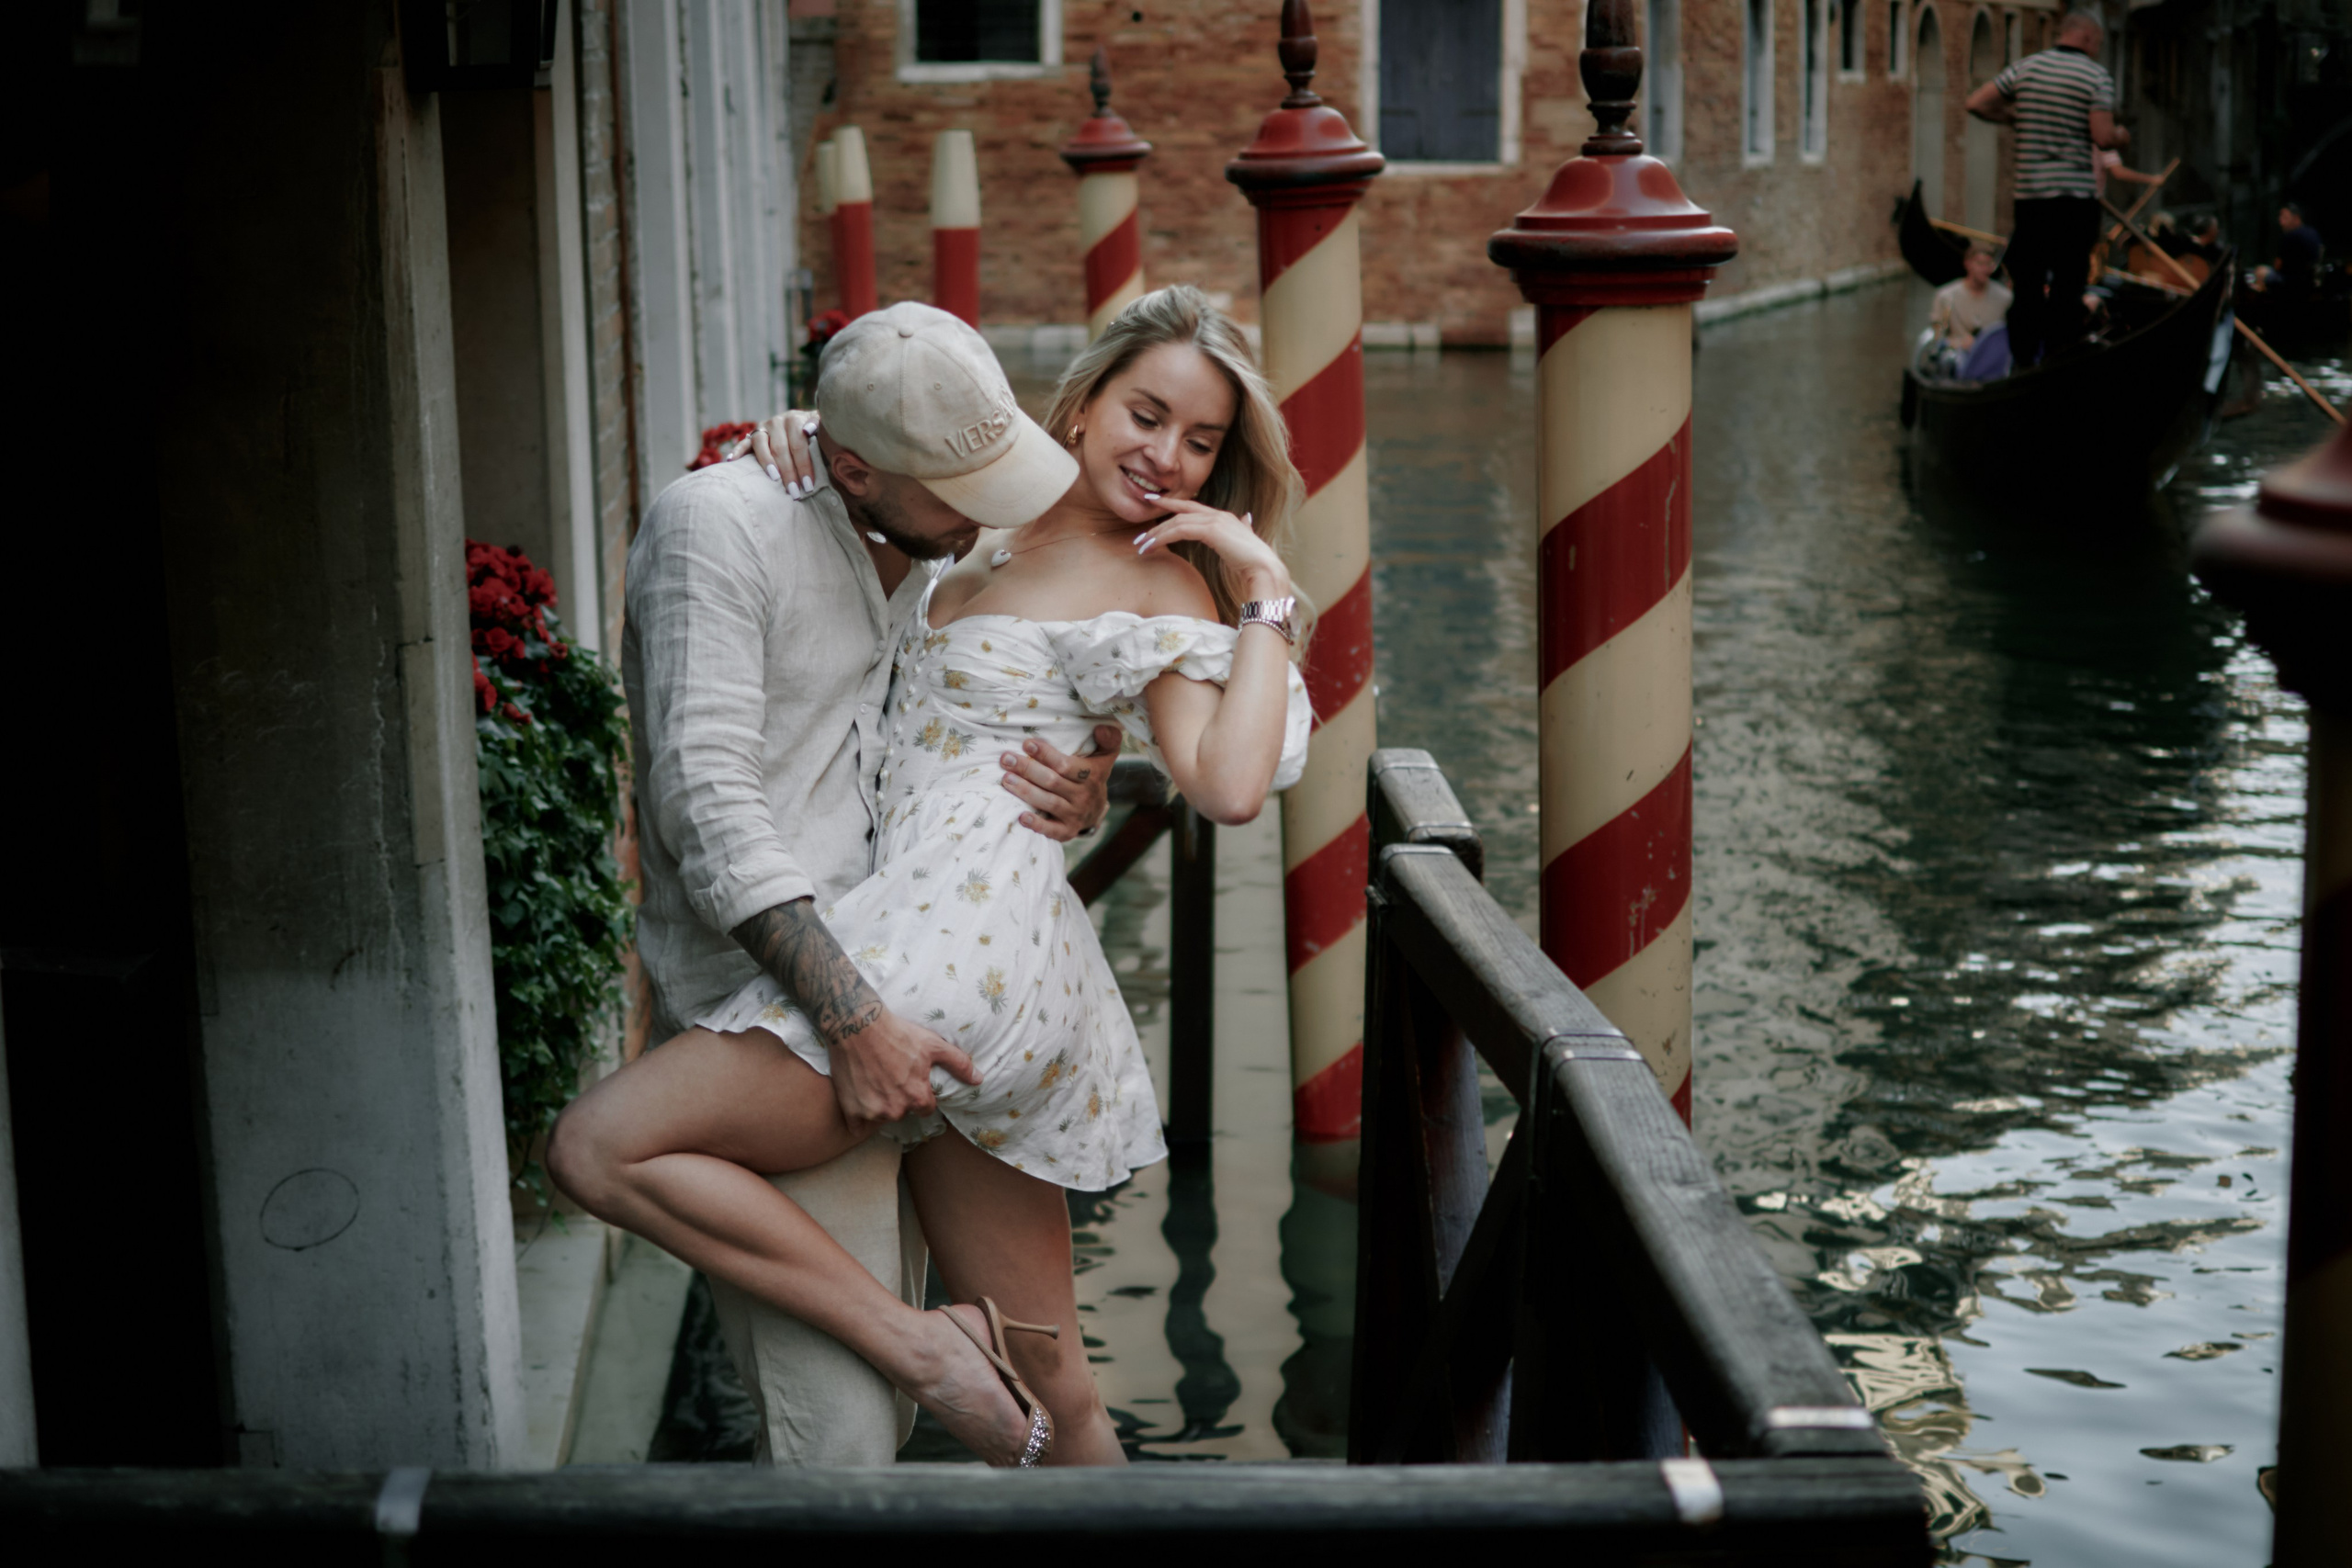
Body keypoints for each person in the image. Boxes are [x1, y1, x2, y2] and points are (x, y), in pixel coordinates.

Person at [548, 288, 1312, 1468]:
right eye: (1146, 415)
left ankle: (922, 1349)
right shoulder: (974, 520)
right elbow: (910, 488)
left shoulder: (1157, 579)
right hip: (934, 942)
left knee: (601, 1147)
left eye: (1201, 442)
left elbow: (1225, 783)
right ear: (1081, 401)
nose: (1166, 458)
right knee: (1056, 1376)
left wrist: (1260, 588)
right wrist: (808, 425)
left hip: (949, 963)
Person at [1965, 9, 2127, 366]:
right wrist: (2121, 136)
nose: (2097, 50)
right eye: (2098, 42)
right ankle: (2059, 357)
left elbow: (1975, 103)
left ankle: (2023, 362)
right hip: (2074, 199)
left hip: (2031, 197)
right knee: (2069, 284)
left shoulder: (2026, 68)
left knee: (2027, 282)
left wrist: (2011, 117)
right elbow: (2102, 137)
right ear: (2086, 38)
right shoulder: (2095, 75)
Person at [1929, 242, 2013, 356]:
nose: (1985, 269)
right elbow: (1937, 337)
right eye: (1980, 264)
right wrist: (1957, 343)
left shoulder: (2005, 297)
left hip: (1993, 359)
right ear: (1968, 264)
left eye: (1989, 264)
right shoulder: (1945, 296)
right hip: (1957, 359)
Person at [2253, 203, 2323, 297]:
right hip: (2311, 281)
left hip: (2292, 282)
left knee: (2260, 271)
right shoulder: (2313, 232)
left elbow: (2278, 266)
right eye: (2280, 218)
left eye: (2285, 218)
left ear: (2296, 218)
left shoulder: (2291, 236)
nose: (2281, 222)